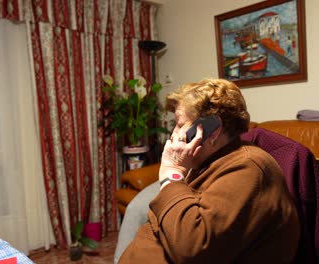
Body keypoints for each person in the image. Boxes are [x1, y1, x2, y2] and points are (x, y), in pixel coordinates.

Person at [118, 78, 300, 263]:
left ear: (211, 130)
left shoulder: (248, 167)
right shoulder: (209, 161)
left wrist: (171, 174)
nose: (173, 134)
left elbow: (190, 247)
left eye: (180, 124)